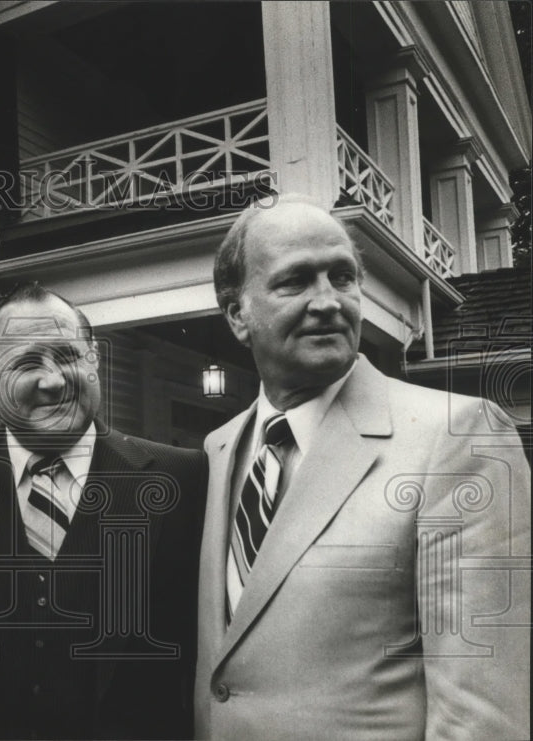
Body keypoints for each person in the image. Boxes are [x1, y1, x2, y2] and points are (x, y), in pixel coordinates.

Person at [194, 194, 531, 739]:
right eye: (296, 280)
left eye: (342, 277)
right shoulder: (219, 449)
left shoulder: (458, 437)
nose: (328, 301)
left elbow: (483, 714)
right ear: (238, 315)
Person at [0, 283, 205, 740]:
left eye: (68, 356)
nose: (53, 381)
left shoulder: (183, 478)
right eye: (25, 363)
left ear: (95, 361)